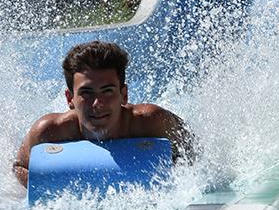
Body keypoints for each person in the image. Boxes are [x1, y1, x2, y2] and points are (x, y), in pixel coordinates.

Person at [13, 40, 192, 186]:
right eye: (86, 93)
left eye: (107, 91)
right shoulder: (49, 130)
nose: (97, 104)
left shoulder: (152, 121)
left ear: (124, 95)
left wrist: (178, 178)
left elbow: (193, 150)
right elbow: (19, 166)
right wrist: (45, 189)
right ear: (70, 99)